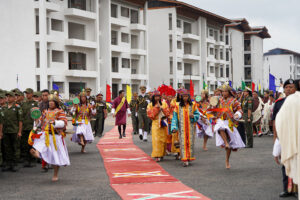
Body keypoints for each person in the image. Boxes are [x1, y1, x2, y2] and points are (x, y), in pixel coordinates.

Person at [30, 94, 70, 182]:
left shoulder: (60, 111)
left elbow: (64, 123)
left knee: (56, 156)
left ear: (56, 103)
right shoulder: (45, 111)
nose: (51, 103)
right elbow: (40, 122)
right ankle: (38, 155)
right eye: (49, 101)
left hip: (55, 137)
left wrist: (54, 122)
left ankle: (55, 174)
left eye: (52, 101)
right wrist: (36, 120)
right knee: (37, 146)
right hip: (45, 135)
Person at [272, 79, 297, 198]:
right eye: (286, 87)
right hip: (284, 138)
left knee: (297, 162)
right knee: (285, 162)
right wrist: (276, 138)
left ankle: (296, 188)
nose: (288, 89)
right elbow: (275, 121)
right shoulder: (279, 102)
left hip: (297, 137)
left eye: (291, 87)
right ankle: (287, 188)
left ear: (296, 89)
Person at [213, 85, 245, 169]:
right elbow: (213, 107)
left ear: (229, 92)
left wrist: (237, 114)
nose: (224, 93)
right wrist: (211, 108)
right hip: (221, 120)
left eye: (225, 91)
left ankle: (227, 160)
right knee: (220, 128)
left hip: (230, 122)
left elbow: (240, 110)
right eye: (222, 91)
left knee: (230, 145)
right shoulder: (219, 100)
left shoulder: (234, 101)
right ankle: (226, 143)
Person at [171, 89, 200, 167]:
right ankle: (184, 159)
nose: (185, 98)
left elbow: (197, 115)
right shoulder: (177, 106)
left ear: (189, 97)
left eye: (186, 96)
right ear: (181, 97)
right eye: (183, 96)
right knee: (183, 143)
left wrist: (193, 116)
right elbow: (174, 118)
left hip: (191, 127)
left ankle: (189, 157)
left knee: (190, 143)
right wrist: (174, 127)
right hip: (182, 127)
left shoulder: (193, 105)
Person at [1, 91, 23, 172]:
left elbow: (20, 120)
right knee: (7, 148)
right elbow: (2, 121)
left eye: (10, 96)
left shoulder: (17, 107)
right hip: (6, 130)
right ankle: (8, 163)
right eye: (7, 96)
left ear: (14, 98)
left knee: (15, 147)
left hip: (14, 130)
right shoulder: (4, 107)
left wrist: (20, 131)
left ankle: (15, 164)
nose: (8, 98)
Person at [147, 90, 170, 162]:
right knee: (156, 140)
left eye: (158, 97)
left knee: (163, 140)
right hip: (155, 123)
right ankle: (157, 155)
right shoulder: (150, 105)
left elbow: (168, 113)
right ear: (153, 97)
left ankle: (162, 154)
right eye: (156, 97)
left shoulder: (164, 103)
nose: (157, 98)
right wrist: (156, 108)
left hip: (163, 123)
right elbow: (150, 115)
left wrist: (162, 109)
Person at [21, 88, 39, 167]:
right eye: (26, 93)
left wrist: (36, 126)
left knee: (32, 144)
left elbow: (37, 115)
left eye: (28, 93)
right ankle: (26, 160)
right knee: (25, 144)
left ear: (32, 94)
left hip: (32, 127)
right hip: (25, 126)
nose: (27, 95)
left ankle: (32, 159)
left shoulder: (35, 103)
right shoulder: (23, 103)